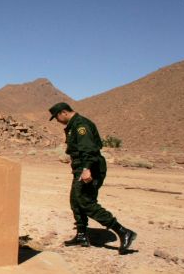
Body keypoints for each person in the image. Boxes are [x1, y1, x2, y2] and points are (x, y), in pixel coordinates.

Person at [48, 102, 137, 254]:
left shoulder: (81, 125)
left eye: (56, 116)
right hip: (81, 168)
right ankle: (82, 235)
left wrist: (86, 168)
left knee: (85, 202)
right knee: (76, 201)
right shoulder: (73, 125)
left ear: (63, 112)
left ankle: (123, 231)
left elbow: (89, 149)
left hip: (90, 168)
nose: (56, 120)